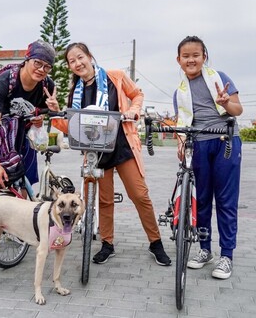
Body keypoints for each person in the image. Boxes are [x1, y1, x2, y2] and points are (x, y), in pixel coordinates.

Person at [49, 42, 171, 266]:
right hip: (96, 152)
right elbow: (71, 127)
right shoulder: (76, 93)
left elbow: (137, 95)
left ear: (89, 56)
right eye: (71, 61)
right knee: (103, 201)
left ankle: (155, 243)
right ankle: (107, 243)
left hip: (122, 145)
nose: (77, 63)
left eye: (80, 57)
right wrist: (56, 111)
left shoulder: (115, 77)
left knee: (140, 195)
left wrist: (133, 111)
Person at [173, 35, 243, 279]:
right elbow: (182, 124)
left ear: (204, 57)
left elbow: (238, 109)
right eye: (186, 56)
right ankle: (205, 250)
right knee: (200, 200)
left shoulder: (219, 79)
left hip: (226, 142)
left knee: (225, 200)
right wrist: (181, 144)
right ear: (178, 60)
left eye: (196, 55)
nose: (191, 59)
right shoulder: (179, 92)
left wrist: (226, 101)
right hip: (198, 145)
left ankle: (227, 256)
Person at [0, 39, 58, 202]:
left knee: (23, 184)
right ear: (27, 59)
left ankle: (18, 225)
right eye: (37, 63)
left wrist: (46, 114)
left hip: (24, 136)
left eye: (47, 66)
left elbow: (40, 115)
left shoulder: (47, 86)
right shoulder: (4, 82)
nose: (41, 69)